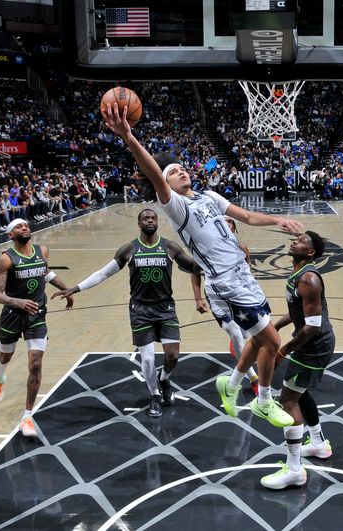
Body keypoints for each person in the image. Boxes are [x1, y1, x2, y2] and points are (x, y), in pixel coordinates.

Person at [102, 103, 303, 428]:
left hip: (244, 276)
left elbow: (248, 217)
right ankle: (263, 401)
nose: (180, 171)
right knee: (272, 342)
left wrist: (278, 220)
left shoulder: (209, 196)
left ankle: (232, 383)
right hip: (227, 282)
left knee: (255, 339)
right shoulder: (177, 207)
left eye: (182, 168)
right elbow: (154, 172)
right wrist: (129, 137)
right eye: (173, 172)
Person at [52, 208, 198, 417]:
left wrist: (206, 257)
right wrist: (75, 288)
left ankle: (164, 379)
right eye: (145, 218)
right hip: (140, 309)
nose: (149, 220)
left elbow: (191, 266)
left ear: (157, 222)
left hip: (165, 307)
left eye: (153, 218)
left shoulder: (169, 246)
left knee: (173, 355)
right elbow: (103, 273)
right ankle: (155, 395)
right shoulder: (129, 249)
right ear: (139, 224)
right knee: (147, 360)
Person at [261, 230, 336, 489]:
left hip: (314, 346)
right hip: (310, 342)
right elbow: (298, 312)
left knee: (288, 400)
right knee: (299, 393)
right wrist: (277, 325)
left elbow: (312, 326)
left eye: (302, 241)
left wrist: (282, 351)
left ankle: (294, 470)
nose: (295, 241)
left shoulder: (309, 279)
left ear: (311, 252)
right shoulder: (298, 275)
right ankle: (318, 444)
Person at [0, 218, 74, 437]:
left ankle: (27, 416)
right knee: (5, 357)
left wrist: (67, 290)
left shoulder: (42, 251)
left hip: (36, 314)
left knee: (35, 362)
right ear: (10, 235)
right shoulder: (6, 259)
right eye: (19, 226)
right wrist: (18, 302)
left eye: (26, 225)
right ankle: (0, 377)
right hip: (12, 314)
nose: (24, 228)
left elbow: (45, 273)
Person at [191, 217, 259, 395]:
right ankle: (253, 378)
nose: (227, 223)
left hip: (239, 295)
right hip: (217, 298)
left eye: (230, 221)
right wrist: (198, 298)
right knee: (236, 334)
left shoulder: (241, 248)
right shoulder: (204, 247)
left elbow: (248, 273)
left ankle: (236, 348)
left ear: (234, 228)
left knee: (243, 334)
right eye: (224, 221)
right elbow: (194, 272)